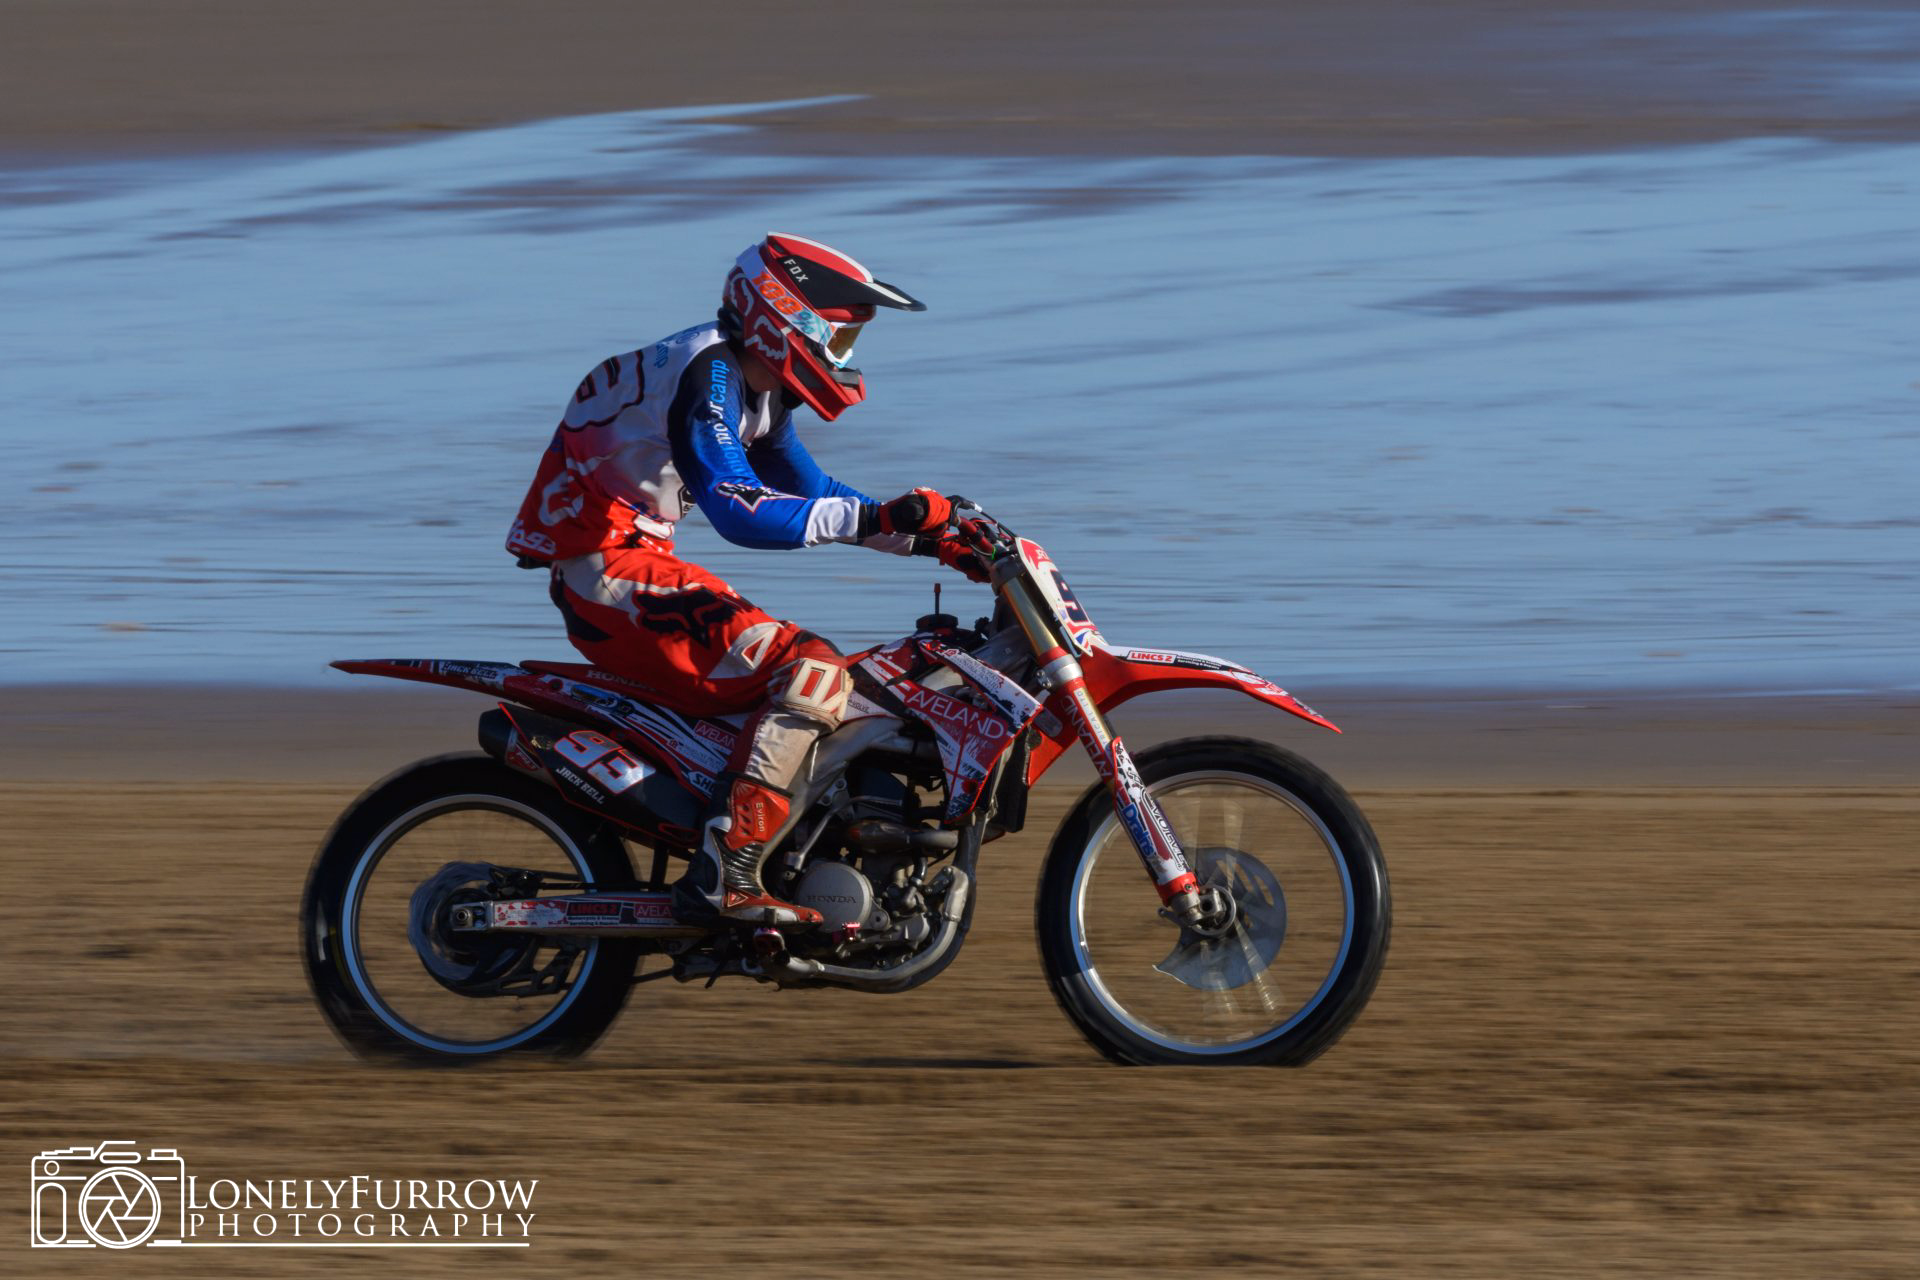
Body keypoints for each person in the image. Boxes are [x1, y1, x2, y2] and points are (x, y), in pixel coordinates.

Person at [505, 234, 982, 928]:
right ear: (788, 317)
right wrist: (883, 514)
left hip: (634, 564)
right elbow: (738, 509)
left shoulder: (754, 387)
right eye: (841, 339)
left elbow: (814, 491)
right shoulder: (711, 376)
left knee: (839, 674)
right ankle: (724, 870)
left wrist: (936, 541)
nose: (844, 358)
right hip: (608, 570)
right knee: (812, 669)